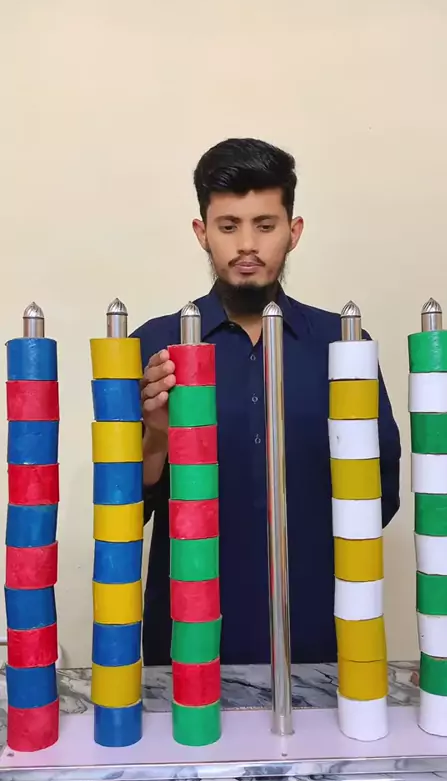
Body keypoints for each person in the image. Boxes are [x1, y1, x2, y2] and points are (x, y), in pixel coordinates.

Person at [132, 137, 401, 667]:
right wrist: (157, 435)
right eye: (228, 226)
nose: (247, 244)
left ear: (293, 232)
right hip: (187, 636)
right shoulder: (155, 346)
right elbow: (123, 510)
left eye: (265, 224)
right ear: (202, 233)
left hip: (319, 632)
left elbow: (379, 493)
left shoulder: (343, 345)